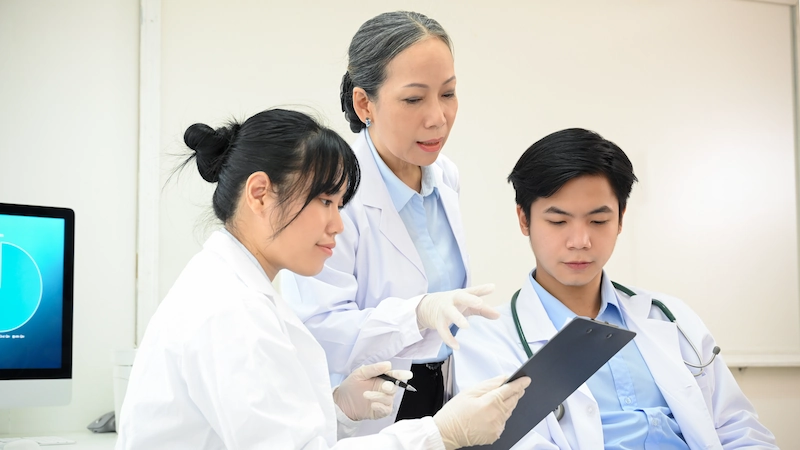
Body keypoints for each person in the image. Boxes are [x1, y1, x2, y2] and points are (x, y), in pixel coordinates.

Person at [115, 108, 530, 450]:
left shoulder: (239, 288)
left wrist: (338, 410)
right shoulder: (232, 311)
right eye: (325, 201)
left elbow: (276, 433)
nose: (338, 224)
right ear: (259, 193)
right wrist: (440, 433)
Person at [452, 128, 778, 449]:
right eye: (558, 221)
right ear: (524, 219)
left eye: (598, 221)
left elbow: (740, 429)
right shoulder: (487, 343)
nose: (580, 241)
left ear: (621, 218)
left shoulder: (670, 317)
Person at [281, 11, 497, 431]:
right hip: (372, 407)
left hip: (446, 393)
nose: (437, 117)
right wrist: (415, 313)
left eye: (448, 93)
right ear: (365, 104)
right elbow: (317, 328)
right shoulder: (330, 195)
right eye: (414, 99)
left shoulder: (445, 176)